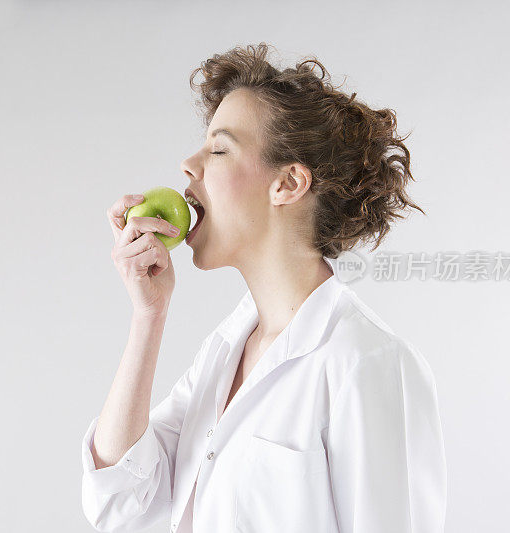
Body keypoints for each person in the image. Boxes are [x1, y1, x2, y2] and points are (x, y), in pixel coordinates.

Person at [80, 42, 447, 533]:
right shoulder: (225, 353)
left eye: (218, 148)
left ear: (288, 183)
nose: (188, 164)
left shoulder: (367, 364)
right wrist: (149, 316)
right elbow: (119, 503)